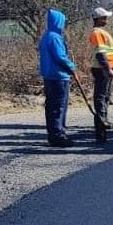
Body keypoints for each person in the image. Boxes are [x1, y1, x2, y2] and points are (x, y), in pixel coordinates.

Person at [38, 8, 79, 148]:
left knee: (51, 106)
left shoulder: (46, 36)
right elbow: (60, 57)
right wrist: (72, 67)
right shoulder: (54, 38)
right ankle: (58, 134)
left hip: (49, 76)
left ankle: (55, 132)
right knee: (58, 106)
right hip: (58, 77)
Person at [88, 7, 113, 145]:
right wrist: (108, 69)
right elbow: (101, 54)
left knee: (105, 97)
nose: (106, 20)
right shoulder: (96, 33)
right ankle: (100, 127)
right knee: (100, 98)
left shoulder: (102, 32)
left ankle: (104, 121)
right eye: (104, 18)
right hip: (102, 70)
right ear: (99, 19)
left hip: (107, 69)